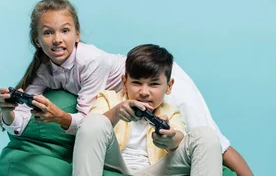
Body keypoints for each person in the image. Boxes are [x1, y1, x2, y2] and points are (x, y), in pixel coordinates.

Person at [0, 0, 253, 176]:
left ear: (77, 34)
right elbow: (87, 122)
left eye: (64, 31)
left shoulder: (92, 62)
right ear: (37, 39)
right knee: (96, 123)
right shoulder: (95, 91)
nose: (57, 40)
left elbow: (178, 132)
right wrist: (10, 111)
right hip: (119, 121)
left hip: (158, 73)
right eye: (48, 33)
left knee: (213, 140)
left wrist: (171, 137)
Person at [72, 44, 222, 175]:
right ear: (124, 83)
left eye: (154, 84)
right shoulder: (109, 99)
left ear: (169, 87)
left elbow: (179, 137)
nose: (144, 92)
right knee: (94, 120)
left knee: (206, 135)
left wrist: (170, 139)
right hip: (115, 163)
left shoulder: (169, 111)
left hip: (157, 169)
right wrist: (116, 113)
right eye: (137, 83)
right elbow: (89, 130)